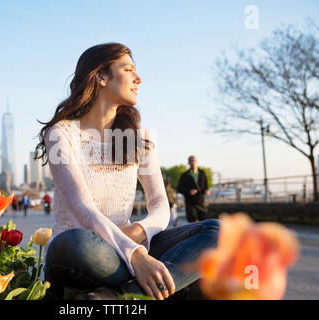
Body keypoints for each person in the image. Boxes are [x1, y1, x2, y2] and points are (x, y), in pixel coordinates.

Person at [35, 43, 219, 300]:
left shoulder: (139, 138)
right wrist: (137, 256)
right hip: (86, 251)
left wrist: (141, 232)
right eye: (128, 69)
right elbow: (82, 208)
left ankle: (121, 296)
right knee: (73, 242)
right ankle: (153, 284)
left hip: (128, 245)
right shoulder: (62, 134)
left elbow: (160, 204)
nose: (138, 78)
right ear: (100, 76)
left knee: (217, 232)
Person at [177, 156, 211, 223]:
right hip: (190, 203)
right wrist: (189, 191)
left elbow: (206, 185)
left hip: (201, 202)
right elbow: (179, 189)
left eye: (194, 161)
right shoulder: (184, 175)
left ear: (197, 162)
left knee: (204, 223)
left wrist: (206, 190)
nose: (193, 162)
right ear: (188, 163)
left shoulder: (202, 173)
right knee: (194, 223)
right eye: (191, 161)